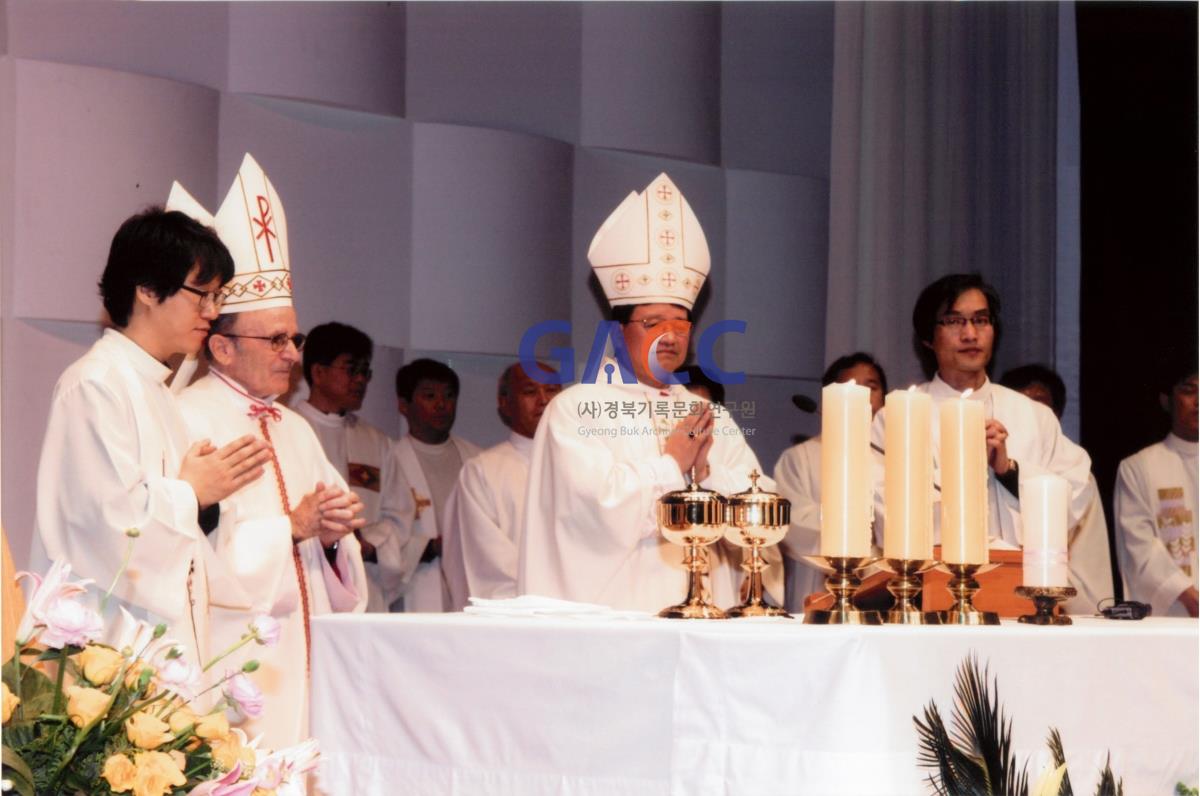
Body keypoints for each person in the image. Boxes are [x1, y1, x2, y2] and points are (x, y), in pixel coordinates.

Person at [518, 172, 782, 611]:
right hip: (612, 621)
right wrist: (671, 464)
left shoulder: (703, 410)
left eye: (681, 324)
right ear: (618, 333)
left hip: (701, 623)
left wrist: (707, 473)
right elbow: (594, 512)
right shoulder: (577, 409)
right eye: (653, 323)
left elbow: (758, 506)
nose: (671, 336)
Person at [176, 154, 367, 748]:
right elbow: (189, 559)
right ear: (223, 347)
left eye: (296, 337)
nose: (293, 354)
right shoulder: (186, 418)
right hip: (236, 664)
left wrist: (334, 538)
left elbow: (330, 551)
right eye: (277, 339)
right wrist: (291, 526)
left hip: (307, 657)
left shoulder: (294, 427)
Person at [31, 202, 269, 671]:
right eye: (201, 294)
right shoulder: (95, 383)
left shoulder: (157, 390)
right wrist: (192, 491)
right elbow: (103, 522)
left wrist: (209, 501)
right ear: (145, 288)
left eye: (218, 297)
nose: (212, 312)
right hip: (107, 642)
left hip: (159, 643)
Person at [872, 274, 1093, 584]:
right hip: (934, 584)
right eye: (953, 321)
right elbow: (885, 509)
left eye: (981, 320)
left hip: (1023, 583)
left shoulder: (1033, 414)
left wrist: (1009, 471)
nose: (970, 334)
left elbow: (1074, 492)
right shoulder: (897, 416)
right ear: (927, 337)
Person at [296, 322, 413, 612]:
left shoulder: (378, 443)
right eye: (351, 369)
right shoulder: (290, 429)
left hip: (365, 582)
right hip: (307, 575)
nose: (361, 379)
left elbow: (399, 515)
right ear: (318, 372)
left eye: (365, 371)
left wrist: (369, 543)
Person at [442, 362, 562, 610]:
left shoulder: (585, 463)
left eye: (552, 390)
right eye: (530, 391)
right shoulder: (482, 472)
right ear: (505, 403)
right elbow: (486, 561)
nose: (543, 400)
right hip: (516, 615)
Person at [999, 363, 1116, 614]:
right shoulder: (992, 460)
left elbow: (1088, 561)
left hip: (1066, 601)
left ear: (1057, 412)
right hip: (1001, 593)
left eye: (1039, 404)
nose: (1030, 414)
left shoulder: (1075, 472)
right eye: (1020, 405)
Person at [775, 353, 886, 611]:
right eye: (851, 388)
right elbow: (791, 522)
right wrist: (854, 522)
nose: (863, 396)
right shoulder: (799, 457)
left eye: (871, 387)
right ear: (829, 399)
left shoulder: (894, 460)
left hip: (881, 588)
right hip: (816, 583)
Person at [391, 358, 480, 612]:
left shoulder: (478, 460)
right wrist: (428, 547)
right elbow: (382, 536)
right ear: (403, 404)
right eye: (429, 396)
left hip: (469, 583)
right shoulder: (390, 461)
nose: (442, 405)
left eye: (449, 396)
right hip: (416, 587)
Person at [1114, 361, 1198, 617]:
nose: (1198, 401)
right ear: (1166, 400)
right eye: (1188, 390)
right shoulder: (1138, 467)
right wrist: (1186, 593)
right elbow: (1138, 546)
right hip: (1175, 609)